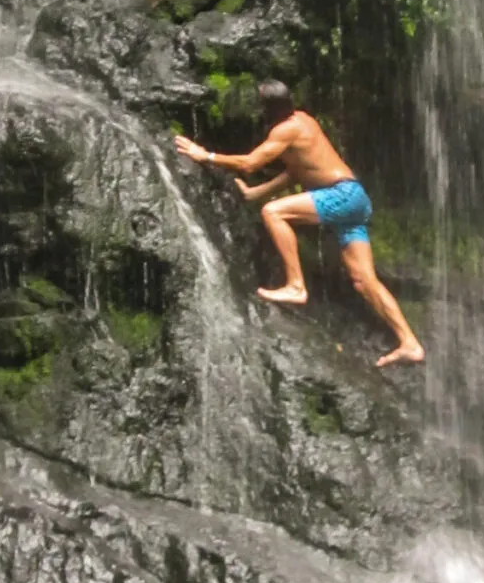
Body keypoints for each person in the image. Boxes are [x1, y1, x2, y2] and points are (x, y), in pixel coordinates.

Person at [175, 80, 424, 368]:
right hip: (355, 198)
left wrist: (204, 155)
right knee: (364, 281)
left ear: (266, 108)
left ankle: (296, 285)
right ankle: (409, 342)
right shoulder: (303, 120)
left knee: (274, 213)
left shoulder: (285, 130)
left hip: (340, 195)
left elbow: (249, 164)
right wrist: (257, 192)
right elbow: (298, 170)